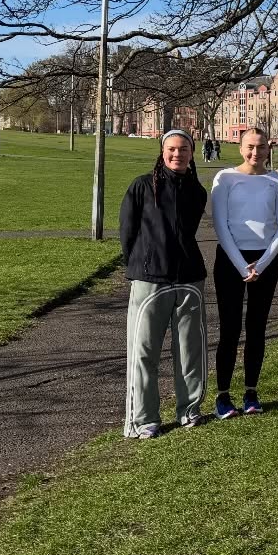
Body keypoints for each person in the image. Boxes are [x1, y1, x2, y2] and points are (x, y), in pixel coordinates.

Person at [119, 129, 208, 438]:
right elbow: (128, 234)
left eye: (183, 149)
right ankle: (142, 419)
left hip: (188, 278)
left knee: (190, 350)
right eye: (171, 148)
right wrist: (142, 263)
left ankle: (189, 409)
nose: (177, 154)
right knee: (144, 351)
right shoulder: (142, 186)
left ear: (191, 152)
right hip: (150, 280)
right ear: (162, 151)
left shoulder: (197, 191)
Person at [210, 125, 278, 418]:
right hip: (232, 260)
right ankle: (223, 396)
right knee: (230, 329)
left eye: (261, 147)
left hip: (266, 262)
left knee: (256, 328)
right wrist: (242, 265)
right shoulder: (225, 178)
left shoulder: (276, 181)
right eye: (250, 147)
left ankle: (251, 392)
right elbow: (220, 224)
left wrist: (264, 262)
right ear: (240, 148)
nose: (255, 153)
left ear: (269, 149)